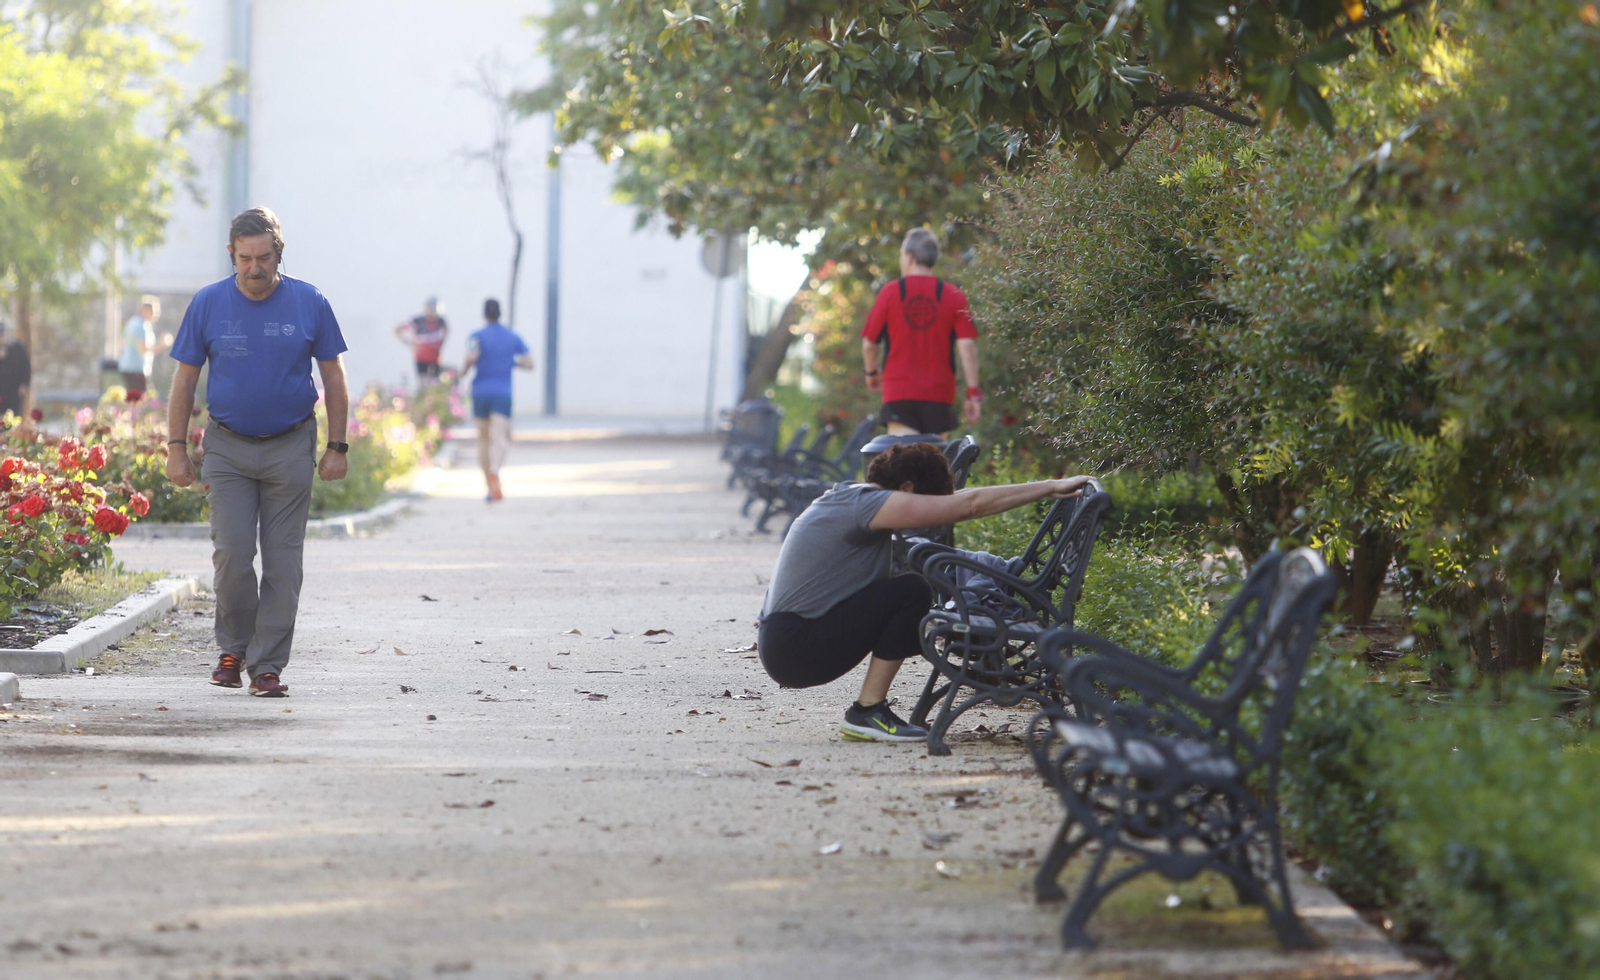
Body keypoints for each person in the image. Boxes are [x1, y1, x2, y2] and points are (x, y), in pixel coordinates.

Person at [757, 442, 1092, 742]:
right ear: (906, 488)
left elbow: (961, 502)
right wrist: (1048, 487)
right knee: (911, 591)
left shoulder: (853, 497)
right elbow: (968, 506)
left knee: (909, 588)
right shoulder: (866, 505)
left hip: (788, 640)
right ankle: (868, 711)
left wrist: (1046, 488)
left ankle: (868, 711)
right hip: (796, 647)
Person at [164, 206, 351, 699]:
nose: (254, 268)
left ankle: (266, 666)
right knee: (231, 555)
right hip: (226, 446)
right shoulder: (208, 304)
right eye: (244, 258)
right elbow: (185, 379)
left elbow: (333, 375)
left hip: (290, 444)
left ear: (278, 254)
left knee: (284, 564)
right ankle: (233, 649)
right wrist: (176, 448)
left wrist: (337, 446)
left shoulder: (310, 301)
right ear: (232, 254)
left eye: (263, 257)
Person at [861, 228, 983, 436]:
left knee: (904, 463)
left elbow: (869, 345)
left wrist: (871, 373)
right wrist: (973, 394)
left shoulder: (891, 292)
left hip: (899, 394)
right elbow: (967, 346)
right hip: (939, 395)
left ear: (909, 258)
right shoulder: (954, 296)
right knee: (933, 464)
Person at [461, 298, 532, 502]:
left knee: (484, 439)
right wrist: (511, 363)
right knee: (500, 437)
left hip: (481, 391)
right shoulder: (512, 337)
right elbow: (529, 363)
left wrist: (463, 371)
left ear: (484, 314)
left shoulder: (477, 336)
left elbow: (471, 357)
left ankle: (489, 486)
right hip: (502, 392)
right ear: (500, 314)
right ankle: (496, 469)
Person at [117, 295, 173, 395]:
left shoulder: (137, 323)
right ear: (146, 310)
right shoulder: (139, 326)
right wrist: (162, 344)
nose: (157, 314)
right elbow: (143, 351)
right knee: (141, 401)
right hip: (134, 370)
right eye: (155, 310)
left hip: (133, 369)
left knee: (140, 400)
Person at [394, 297, 448, 384]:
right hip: (421, 359)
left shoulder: (440, 322)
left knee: (436, 383)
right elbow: (397, 330)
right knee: (423, 383)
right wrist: (410, 344)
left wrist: (441, 344)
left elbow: (446, 330)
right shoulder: (417, 322)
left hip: (436, 359)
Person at [0, 320, 30, 424]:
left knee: (13, 420)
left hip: (13, 392)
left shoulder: (17, 348)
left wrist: (24, 384)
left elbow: (26, 366)